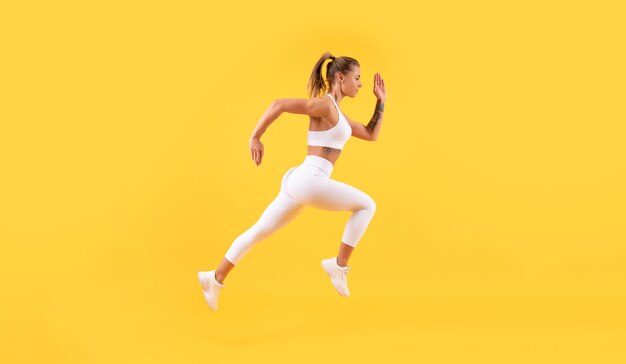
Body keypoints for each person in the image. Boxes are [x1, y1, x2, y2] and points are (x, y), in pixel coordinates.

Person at [198, 52, 386, 310]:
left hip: (300, 181)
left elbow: (370, 134)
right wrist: (255, 137)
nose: (361, 83)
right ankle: (339, 265)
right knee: (367, 206)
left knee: (258, 232)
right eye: (357, 78)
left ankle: (214, 278)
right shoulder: (326, 106)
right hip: (310, 180)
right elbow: (279, 104)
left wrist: (381, 102)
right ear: (340, 78)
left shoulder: (339, 115)